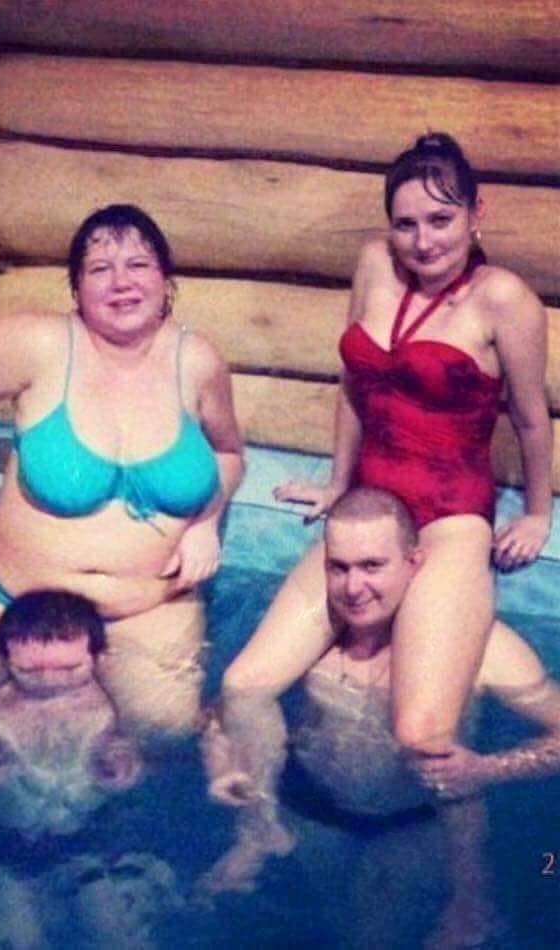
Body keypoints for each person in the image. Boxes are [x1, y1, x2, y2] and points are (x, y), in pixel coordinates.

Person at [217, 132, 552, 780]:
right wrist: (338, 483)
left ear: (476, 213)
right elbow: (355, 382)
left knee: (420, 733)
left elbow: (532, 420)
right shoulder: (375, 263)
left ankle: (484, 792)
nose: (423, 242)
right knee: (243, 686)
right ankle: (261, 827)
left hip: (450, 519)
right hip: (371, 512)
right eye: (406, 224)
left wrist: (536, 514)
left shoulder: (503, 299)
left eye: (441, 220)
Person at [0, 204, 244, 748]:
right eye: (100, 269)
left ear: (166, 281)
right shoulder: (43, 344)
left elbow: (228, 452)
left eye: (138, 265)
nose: (121, 283)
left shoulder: (197, 361)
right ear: (76, 289)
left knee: (166, 733)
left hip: (147, 607)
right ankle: (3, 736)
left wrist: (205, 523)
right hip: (8, 597)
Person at [202, 488, 560, 944]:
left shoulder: (480, 647)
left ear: (413, 563)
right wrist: (224, 771)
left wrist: (488, 769)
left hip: (411, 828)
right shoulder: (307, 643)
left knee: (370, 938)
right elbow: (219, 713)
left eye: (372, 566)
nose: (354, 588)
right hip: (310, 811)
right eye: (339, 568)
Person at [0, 590, 143, 839]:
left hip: (94, 824)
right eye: (29, 671)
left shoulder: (114, 705)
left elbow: (153, 757)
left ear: (97, 658)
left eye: (70, 668)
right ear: (5, 662)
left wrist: (128, 767)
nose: (50, 680)